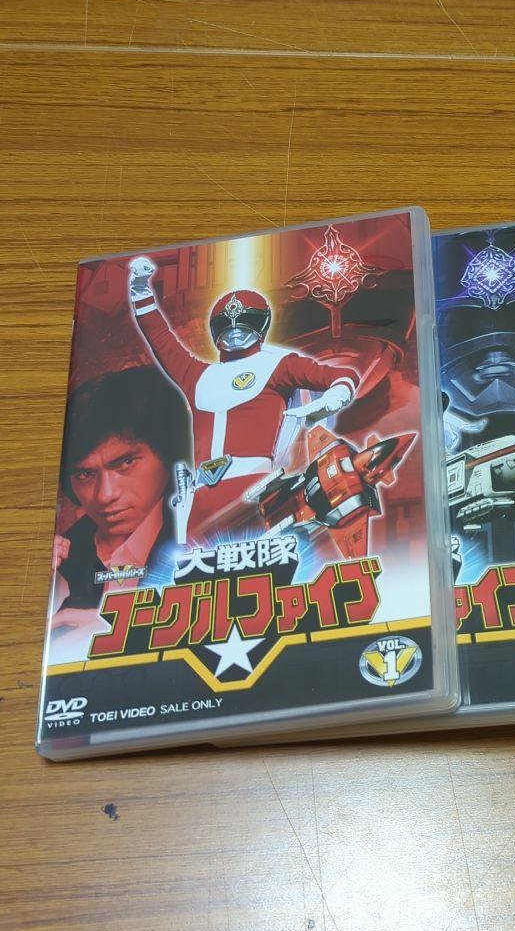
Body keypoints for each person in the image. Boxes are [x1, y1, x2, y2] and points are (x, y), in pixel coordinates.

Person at [127, 255, 361, 540]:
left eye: (245, 321)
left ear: (261, 324)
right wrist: (140, 291)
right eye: (226, 323)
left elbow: (340, 375)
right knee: (195, 566)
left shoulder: (278, 364)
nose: (235, 329)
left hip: (255, 488)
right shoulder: (196, 374)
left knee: (260, 561)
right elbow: (161, 340)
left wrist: (337, 395)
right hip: (200, 496)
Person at [51, 367, 188, 648]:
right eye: (85, 474)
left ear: (169, 454)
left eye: (125, 463)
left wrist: (122, 626)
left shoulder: (204, 531)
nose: (105, 495)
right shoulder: (68, 553)